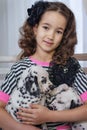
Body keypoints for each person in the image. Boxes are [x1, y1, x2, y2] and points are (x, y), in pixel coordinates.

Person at [0, 0, 87, 130]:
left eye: (58, 31)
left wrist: (50, 116)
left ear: (64, 36)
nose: (50, 36)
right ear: (35, 28)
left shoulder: (70, 66)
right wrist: (21, 128)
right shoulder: (20, 68)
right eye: (46, 27)